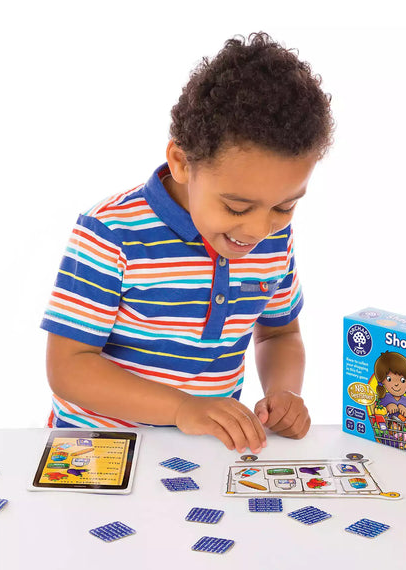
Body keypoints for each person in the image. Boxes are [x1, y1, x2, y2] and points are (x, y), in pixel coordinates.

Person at [41, 32, 334, 454]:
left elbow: (279, 334)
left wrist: (284, 392)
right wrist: (182, 408)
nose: (256, 230)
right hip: (97, 448)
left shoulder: (273, 238)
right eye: (236, 208)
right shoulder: (111, 232)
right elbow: (68, 367)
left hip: (206, 450)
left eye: (284, 206)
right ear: (182, 162)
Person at [373, 351, 406, 419]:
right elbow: (375, 415)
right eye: (389, 379)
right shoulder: (383, 399)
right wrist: (386, 409)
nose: (396, 384)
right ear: (382, 381)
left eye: (402, 380)